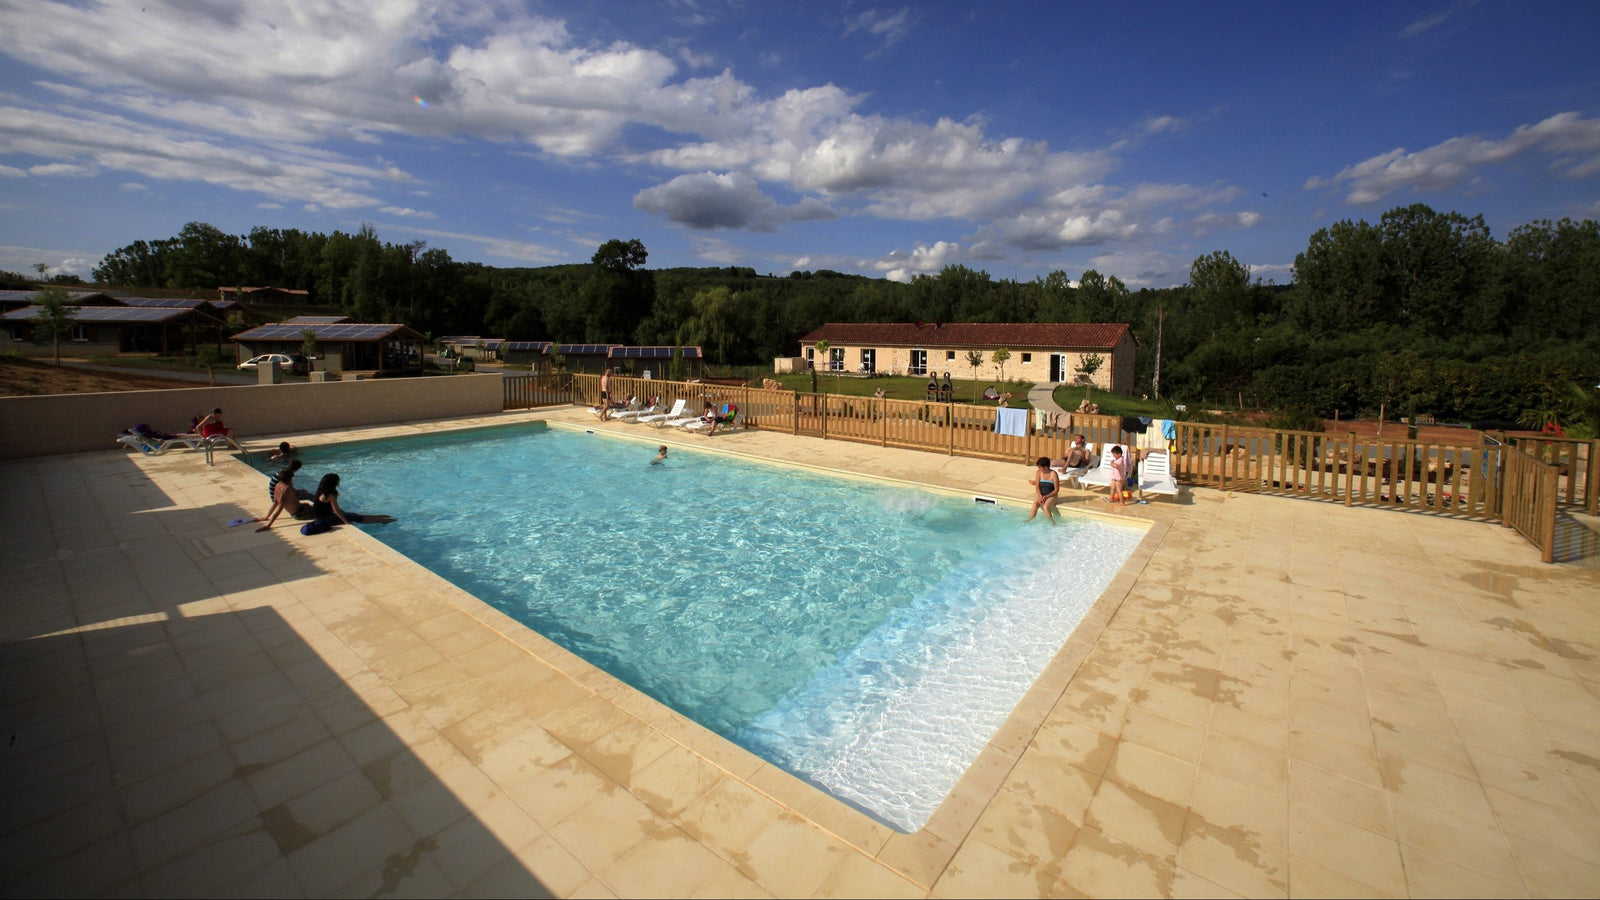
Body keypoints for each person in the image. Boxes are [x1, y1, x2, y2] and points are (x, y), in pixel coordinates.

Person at [300, 473, 396, 535]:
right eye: (338, 480)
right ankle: (382, 520)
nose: (339, 482)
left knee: (354, 515)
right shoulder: (331, 494)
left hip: (323, 517)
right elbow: (336, 510)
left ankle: (381, 518)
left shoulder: (321, 491)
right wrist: (346, 521)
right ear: (334, 483)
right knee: (355, 517)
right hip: (326, 519)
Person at [257, 460, 311, 531]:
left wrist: (267, 517)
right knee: (319, 506)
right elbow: (279, 508)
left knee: (309, 505)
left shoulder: (278, 485)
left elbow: (276, 503)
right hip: (299, 514)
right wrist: (268, 525)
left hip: (299, 510)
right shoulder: (286, 488)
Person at [1026, 456, 1059, 523]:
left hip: (1052, 496)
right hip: (1042, 494)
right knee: (1035, 503)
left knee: (1046, 506)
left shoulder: (1053, 474)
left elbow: (1056, 490)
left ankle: (1052, 523)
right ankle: (1029, 520)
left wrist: (1046, 497)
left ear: (1045, 467)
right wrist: (1040, 496)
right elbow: (1037, 486)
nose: (1038, 468)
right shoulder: (1038, 472)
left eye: (1039, 467)